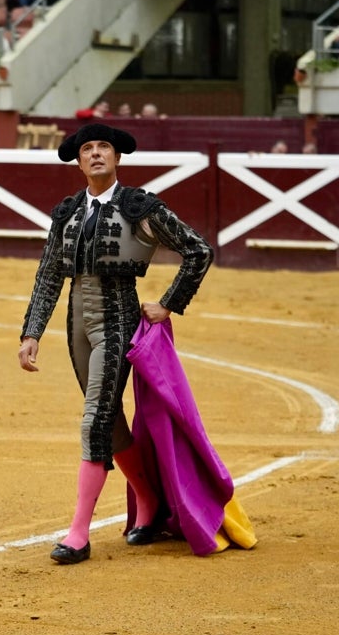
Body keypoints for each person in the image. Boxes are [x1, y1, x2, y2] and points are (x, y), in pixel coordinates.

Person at [18, 123, 213, 564]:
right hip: (76, 320)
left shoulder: (139, 206)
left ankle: (78, 534)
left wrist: (169, 303)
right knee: (108, 419)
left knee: (93, 420)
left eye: (104, 146)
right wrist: (32, 333)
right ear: (79, 160)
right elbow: (49, 273)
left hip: (119, 314)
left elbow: (198, 250)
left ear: (118, 157)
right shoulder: (67, 211)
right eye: (87, 149)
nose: (96, 154)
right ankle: (147, 501)